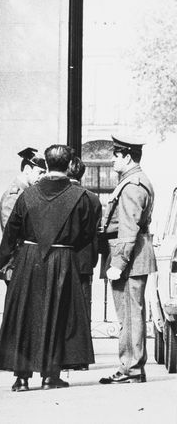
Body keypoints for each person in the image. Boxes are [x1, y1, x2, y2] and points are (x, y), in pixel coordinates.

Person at [0, 144, 97, 391]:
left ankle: (21, 378)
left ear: (47, 165)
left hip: (29, 258)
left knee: (25, 315)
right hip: (63, 259)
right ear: (69, 164)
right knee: (59, 315)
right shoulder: (83, 198)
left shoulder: (26, 195)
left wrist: (4, 262)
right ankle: (51, 376)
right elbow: (86, 234)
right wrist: (65, 247)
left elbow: (11, 233)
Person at [98, 134, 156, 385]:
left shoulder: (132, 185)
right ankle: (131, 366)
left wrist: (118, 263)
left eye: (116, 156)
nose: (113, 160)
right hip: (132, 254)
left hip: (129, 257)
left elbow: (128, 228)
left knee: (130, 314)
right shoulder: (135, 181)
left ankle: (131, 368)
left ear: (127, 157)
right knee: (131, 313)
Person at [0, 147, 46, 283]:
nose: (42, 177)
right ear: (27, 170)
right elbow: (10, 235)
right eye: (40, 172)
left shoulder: (29, 194)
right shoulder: (14, 196)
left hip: (26, 263)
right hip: (16, 264)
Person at [67, 155, 102, 323]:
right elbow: (94, 232)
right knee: (82, 311)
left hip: (62, 260)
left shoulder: (60, 196)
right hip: (84, 262)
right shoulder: (93, 199)